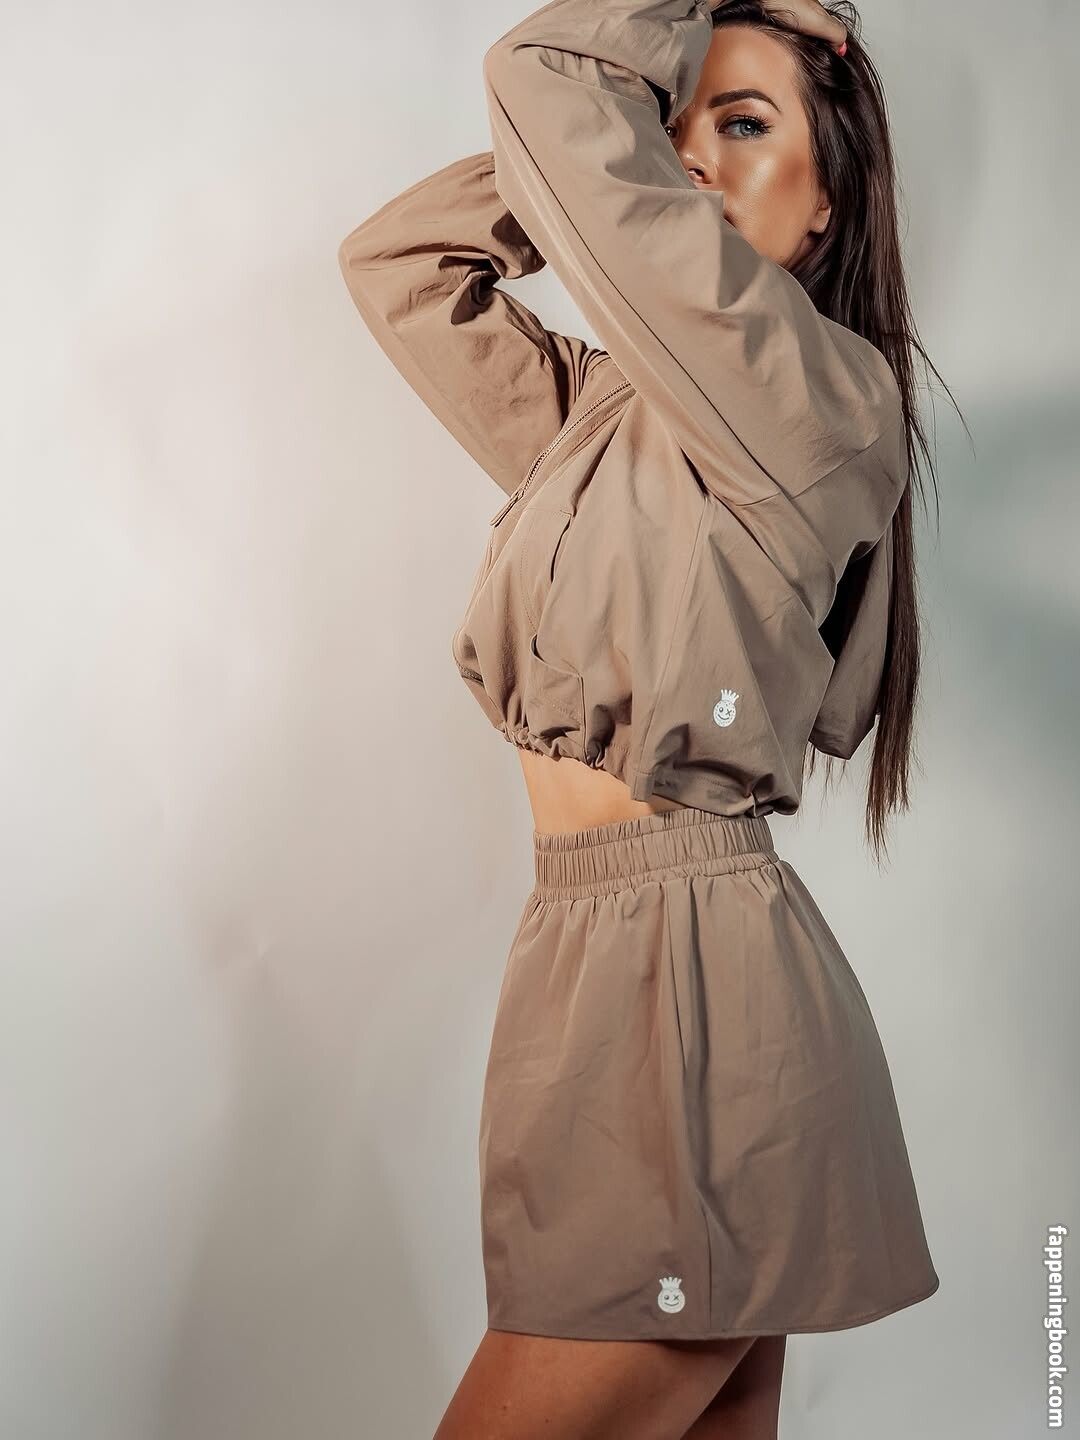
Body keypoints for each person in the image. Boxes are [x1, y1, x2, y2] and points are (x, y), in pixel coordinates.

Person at [339, 0, 958, 1434]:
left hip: (693, 1001)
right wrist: (606, 185)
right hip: (588, 974)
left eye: (742, 124)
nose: (689, 158)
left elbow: (537, 78)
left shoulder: (825, 407)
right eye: (671, 130)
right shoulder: (609, 422)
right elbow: (405, 269)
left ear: (829, 200)